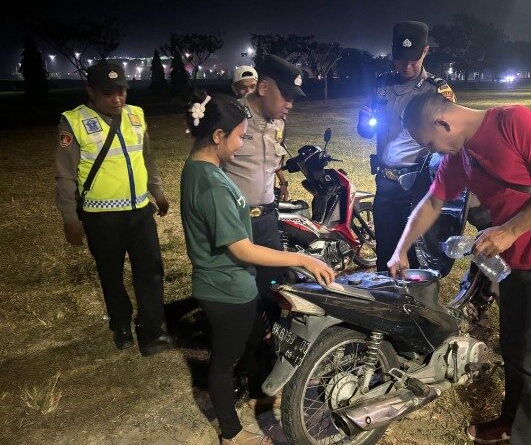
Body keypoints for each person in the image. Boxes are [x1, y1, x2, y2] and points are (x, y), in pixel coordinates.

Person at [388, 91, 531, 445]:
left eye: (431, 142)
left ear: (443, 122)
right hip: (511, 263)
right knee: (514, 347)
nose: (433, 151)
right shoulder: (459, 154)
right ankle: (511, 422)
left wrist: (510, 230)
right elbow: (434, 201)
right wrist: (401, 249)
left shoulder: (513, 121)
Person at [179, 93, 334, 445]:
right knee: (223, 362)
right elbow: (243, 249)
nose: (239, 145)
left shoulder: (199, 170)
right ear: (218, 137)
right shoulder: (212, 184)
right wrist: (303, 258)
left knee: (252, 341)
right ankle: (231, 434)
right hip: (225, 289)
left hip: (235, 285)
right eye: (238, 137)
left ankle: (258, 395)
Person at [54, 61, 173, 355]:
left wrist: (157, 193)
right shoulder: (74, 122)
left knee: (151, 271)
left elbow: (147, 158)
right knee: (111, 274)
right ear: (91, 91)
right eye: (109, 93)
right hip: (100, 218)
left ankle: (151, 331)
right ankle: (121, 325)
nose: (118, 99)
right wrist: (70, 218)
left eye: (121, 91)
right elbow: (65, 174)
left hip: (140, 212)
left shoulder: (136, 115)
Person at [356, 20, 456, 271]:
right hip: (386, 184)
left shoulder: (438, 91)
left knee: (413, 259)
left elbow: (450, 139)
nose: (407, 66)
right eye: (401, 59)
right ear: (392, 53)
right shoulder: (381, 86)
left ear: (425, 52)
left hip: (418, 186)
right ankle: (385, 305)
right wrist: (364, 122)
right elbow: (366, 131)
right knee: (385, 255)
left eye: (413, 59)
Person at [222, 54, 303, 325]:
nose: (290, 104)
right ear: (264, 87)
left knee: (274, 283)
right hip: (236, 219)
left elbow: (269, 161)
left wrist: (282, 181)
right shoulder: (230, 116)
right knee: (240, 289)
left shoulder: (278, 121)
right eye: (287, 96)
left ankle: (272, 336)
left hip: (267, 216)